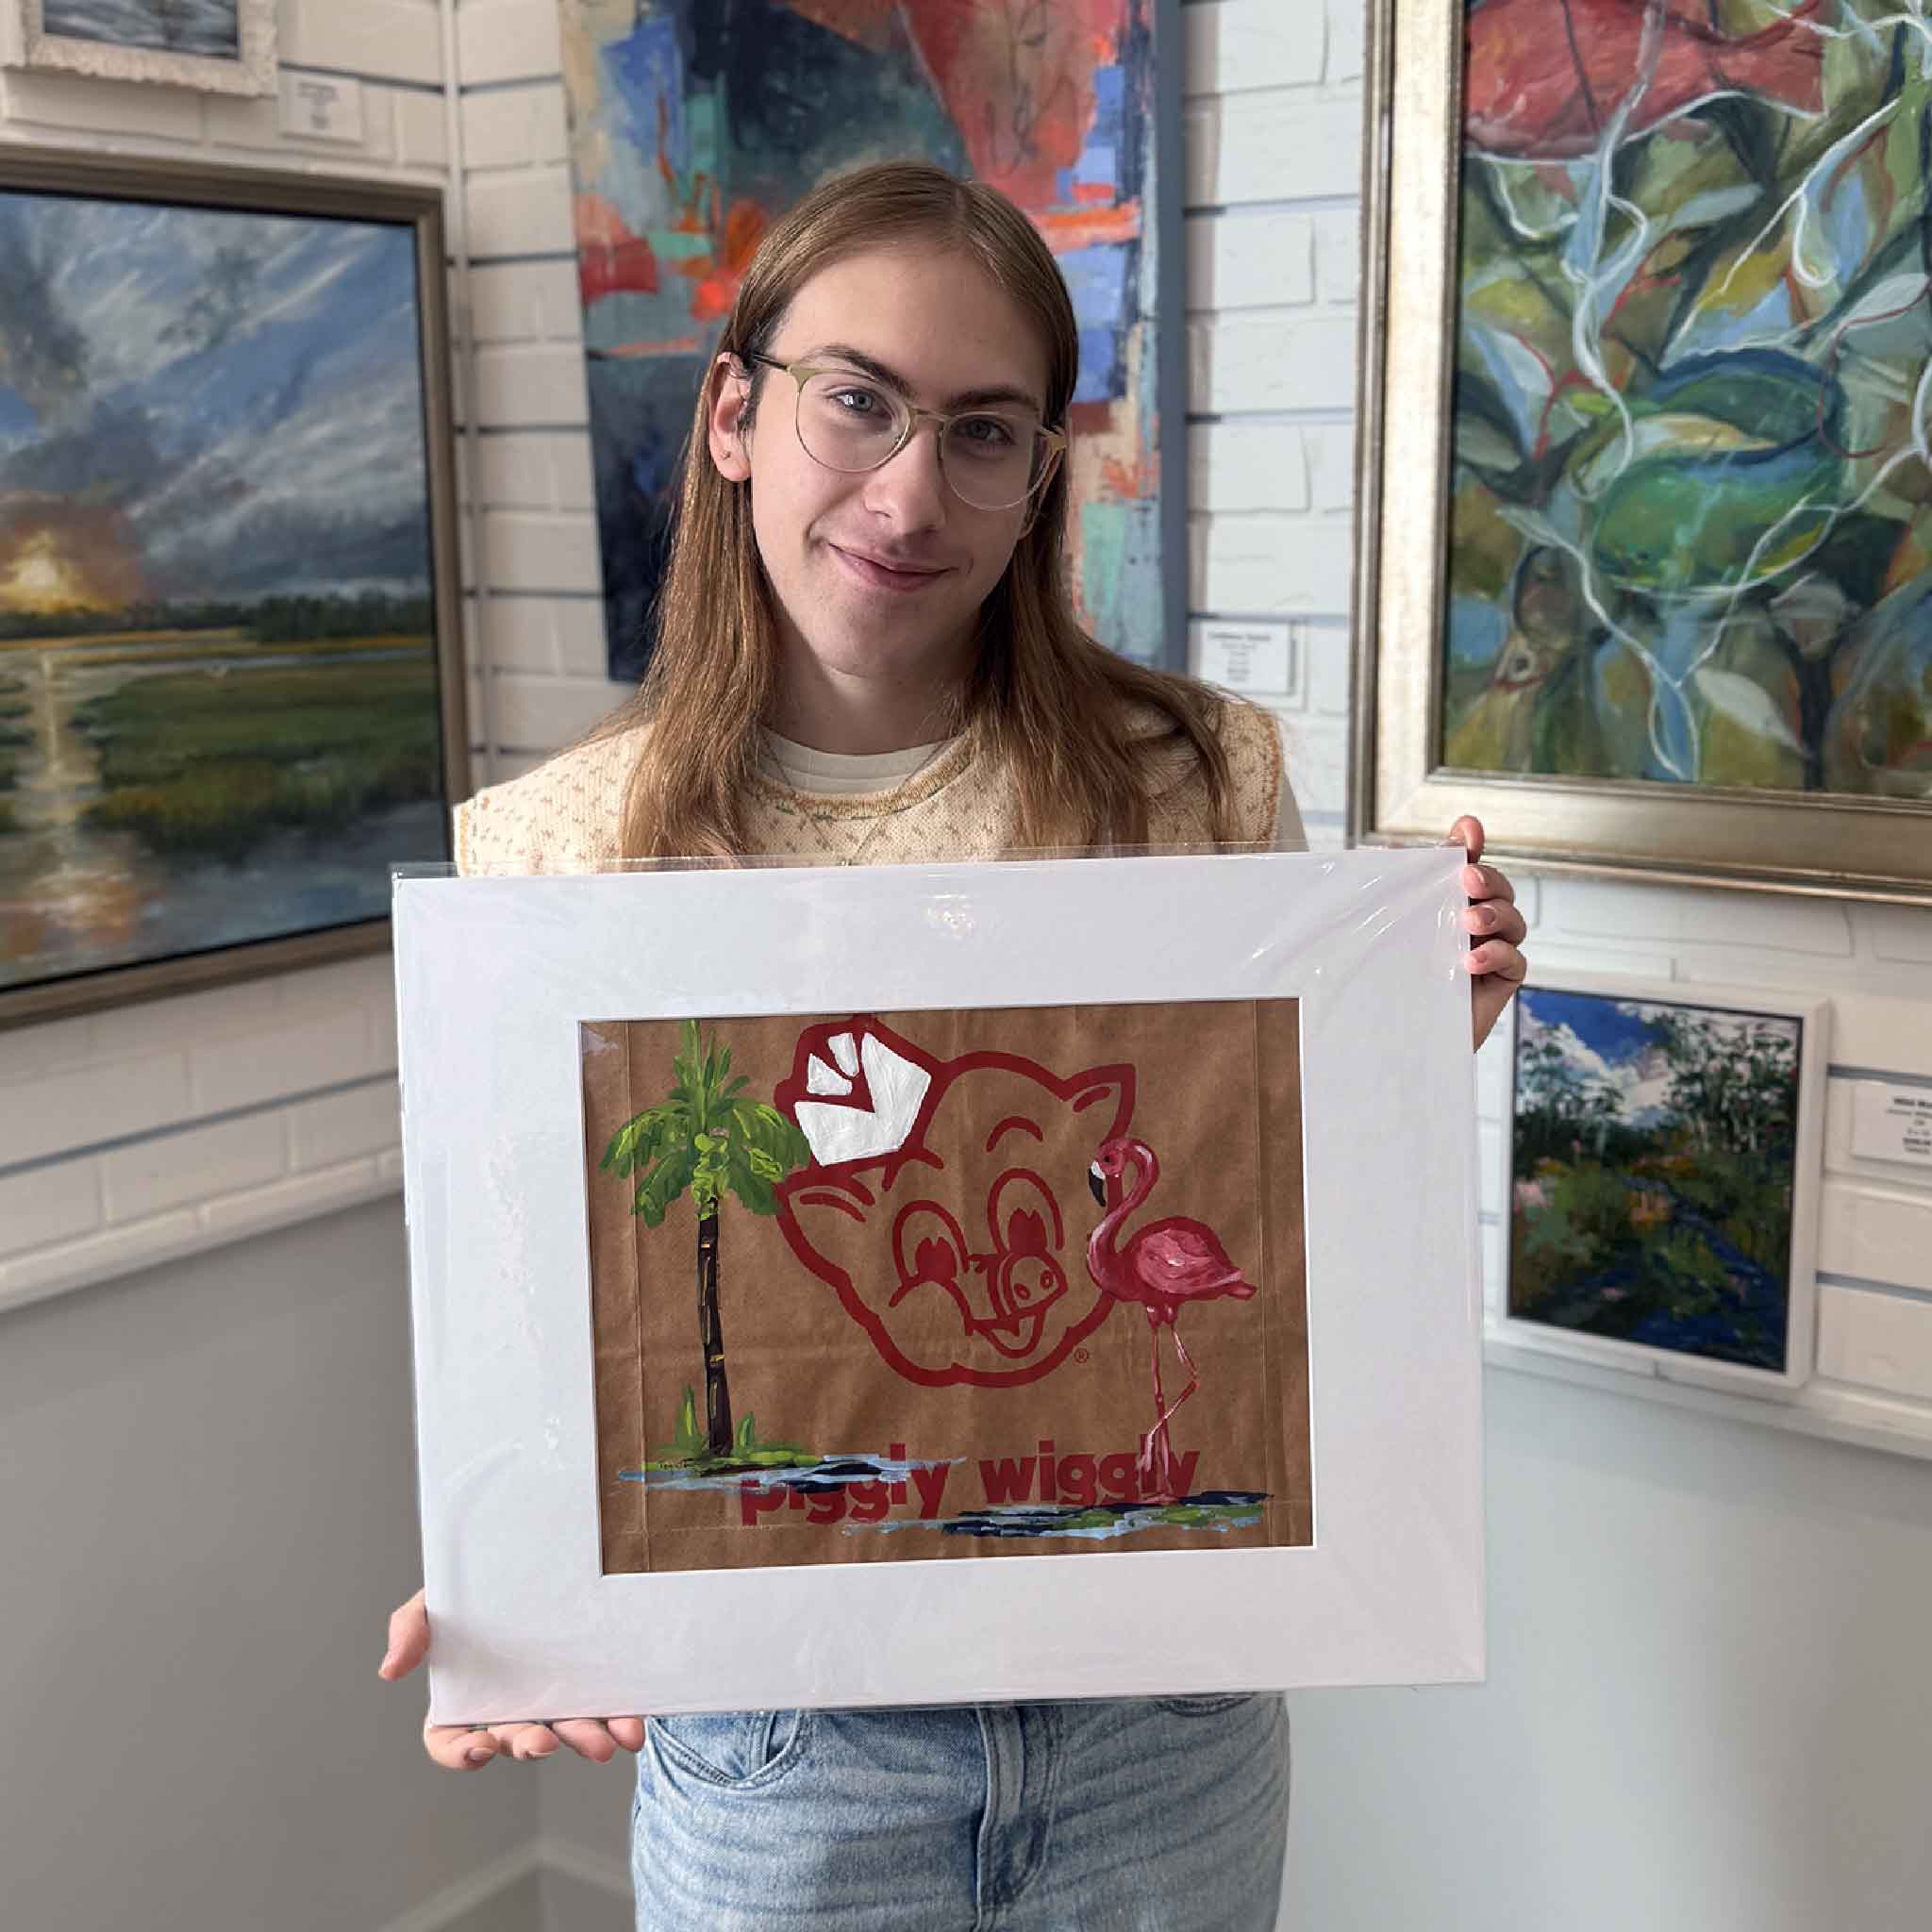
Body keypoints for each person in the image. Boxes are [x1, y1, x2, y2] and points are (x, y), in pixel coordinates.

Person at [380, 161, 1527, 1930]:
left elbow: (1275, 1258)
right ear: (735, 412)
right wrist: (504, 1573)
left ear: (1039, 481)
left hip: (1164, 1729)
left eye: (986, 430)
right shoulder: (551, 855)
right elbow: (541, 1311)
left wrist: (1400, 1051)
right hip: (782, 1759)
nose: (911, 492)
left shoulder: (1194, 778)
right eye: (859, 400)